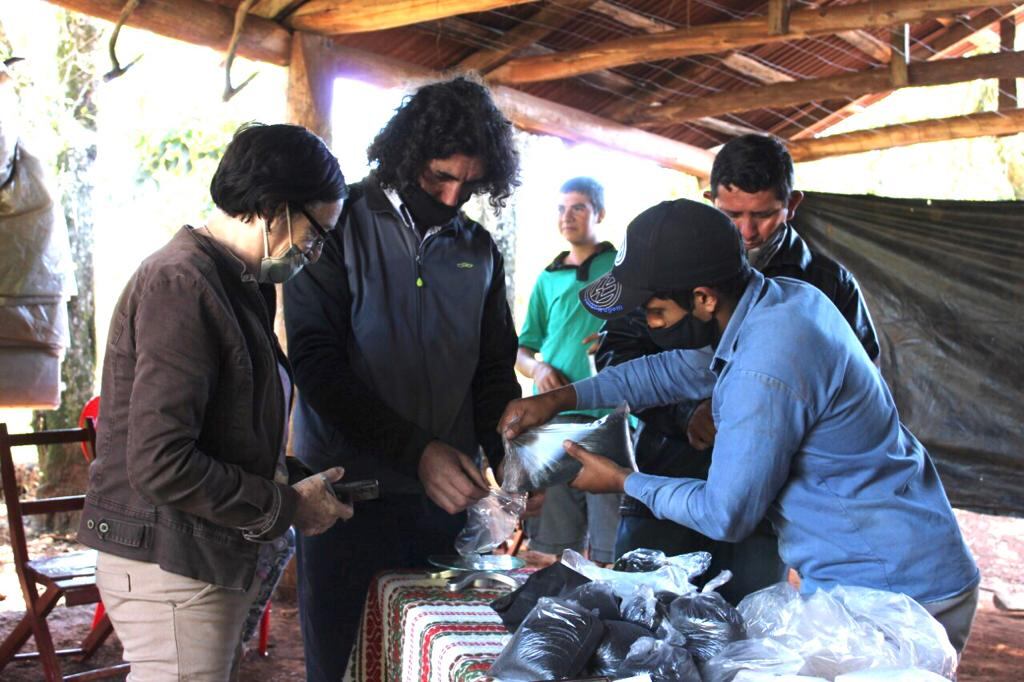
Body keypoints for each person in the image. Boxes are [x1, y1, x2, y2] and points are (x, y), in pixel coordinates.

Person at [499, 199, 980, 654]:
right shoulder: (782, 302)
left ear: (704, 298)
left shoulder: (764, 368)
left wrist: (623, 481)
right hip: (884, 566)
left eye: (656, 311)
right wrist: (560, 397)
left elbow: (726, 513)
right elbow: (672, 372)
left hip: (893, 592)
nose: (648, 324)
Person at [78, 123, 353, 681]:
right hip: (170, 563)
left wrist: (294, 480)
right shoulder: (182, 282)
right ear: (275, 209)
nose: (315, 250)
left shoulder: (236, 283)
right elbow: (162, 463)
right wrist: (287, 507)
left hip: (195, 553)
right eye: (315, 232)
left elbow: (222, 432)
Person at [284, 76, 522, 680]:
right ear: (406, 157)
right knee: (341, 665)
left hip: (440, 509)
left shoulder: (481, 251)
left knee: (431, 663)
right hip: (342, 503)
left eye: (469, 185)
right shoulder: (335, 229)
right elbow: (316, 365)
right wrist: (417, 452)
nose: (450, 196)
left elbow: (494, 373)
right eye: (439, 176)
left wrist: (510, 463)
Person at [601, 134, 878, 602]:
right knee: (638, 621)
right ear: (710, 202)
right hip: (670, 478)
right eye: (732, 215)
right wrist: (684, 415)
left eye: (763, 214)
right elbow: (616, 356)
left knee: (744, 635)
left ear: (793, 204)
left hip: (770, 506)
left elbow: (860, 381)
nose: (747, 232)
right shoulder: (666, 260)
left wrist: (770, 420)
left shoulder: (827, 285)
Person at [515, 177, 621, 564]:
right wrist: (538, 368)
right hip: (553, 414)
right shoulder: (548, 277)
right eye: (561, 208)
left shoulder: (621, 265)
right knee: (550, 542)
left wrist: (620, 337)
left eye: (578, 207)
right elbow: (523, 350)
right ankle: (547, 615)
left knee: (610, 532)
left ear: (599, 213)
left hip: (610, 412)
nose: (567, 216)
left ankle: (608, 610)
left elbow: (649, 324)